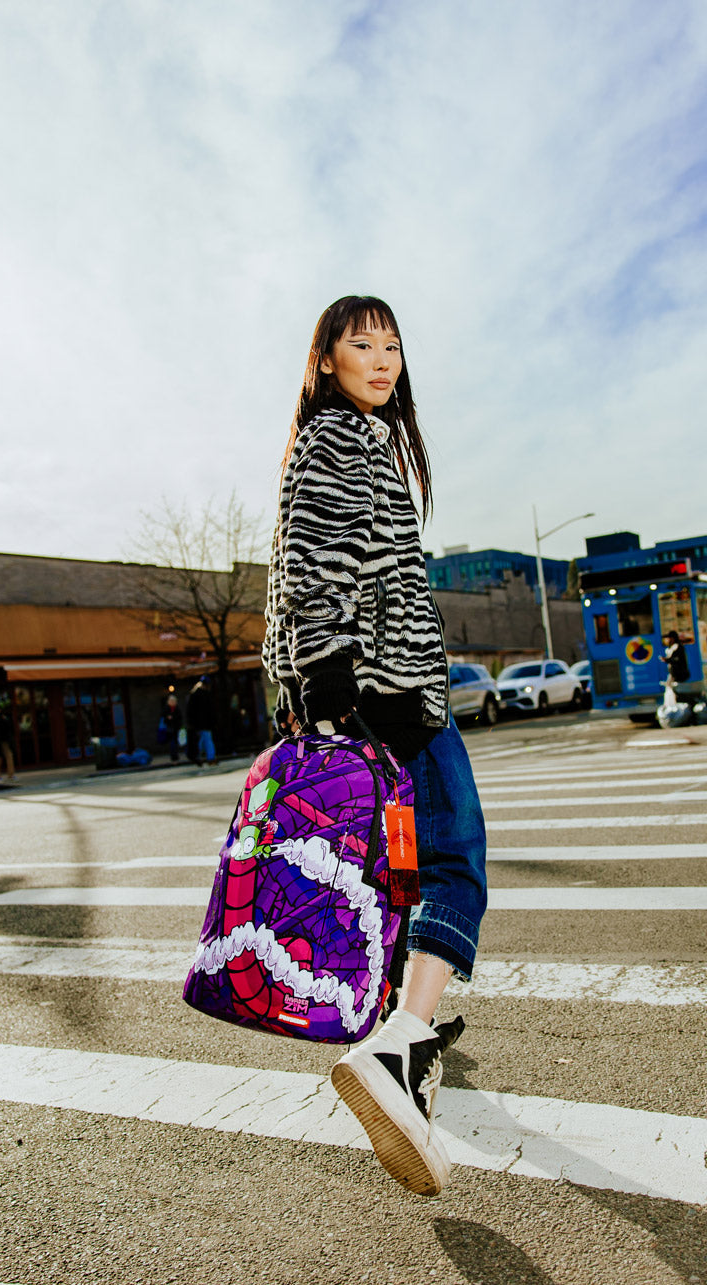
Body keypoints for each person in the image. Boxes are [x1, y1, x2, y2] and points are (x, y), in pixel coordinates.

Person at [263, 294, 486, 1197]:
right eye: (362, 343)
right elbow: (316, 568)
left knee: (395, 876)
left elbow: (301, 569)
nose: (382, 358)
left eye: (393, 344)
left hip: (372, 689)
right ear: (325, 359)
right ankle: (402, 1046)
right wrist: (333, 684)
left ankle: (409, 1039)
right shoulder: (339, 441)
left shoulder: (356, 441)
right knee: (456, 859)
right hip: (391, 695)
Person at [186, 676, 217, 765]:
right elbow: (210, 710)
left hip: (199, 723)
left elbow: (190, 710)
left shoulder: (194, 694)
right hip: (203, 723)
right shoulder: (204, 695)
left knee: (202, 740)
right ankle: (209, 758)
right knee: (206, 740)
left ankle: (198, 757)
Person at [159, 692, 183, 763]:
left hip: (176, 728)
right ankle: (174, 758)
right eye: (171, 701)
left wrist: (173, 718)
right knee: (172, 743)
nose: (172, 702)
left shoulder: (177, 708)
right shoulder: (166, 708)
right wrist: (168, 717)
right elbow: (163, 717)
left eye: (174, 701)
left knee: (175, 742)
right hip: (169, 728)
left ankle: (175, 757)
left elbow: (179, 717)